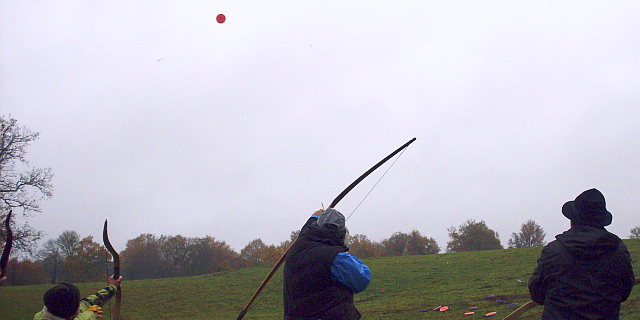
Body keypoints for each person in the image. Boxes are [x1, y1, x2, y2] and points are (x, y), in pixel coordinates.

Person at [528, 188, 635, 319]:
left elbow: (537, 293)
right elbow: (624, 292)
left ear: (573, 220)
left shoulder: (554, 251)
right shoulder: (619, 251)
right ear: (601, 221)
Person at [283, 208, 371, 319]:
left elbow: (306, 231)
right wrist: (345, 253)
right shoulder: (335, 258)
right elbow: (362, 278)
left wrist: (314, 216)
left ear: (316, 226)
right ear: (341, 234)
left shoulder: (297, 248)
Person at [34, 275, 122, 320]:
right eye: (77, 303)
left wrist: (112, 287)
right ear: (71, 314)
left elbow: (86, 303)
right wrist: (91, 314)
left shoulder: (42, 315)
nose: (80, 304)